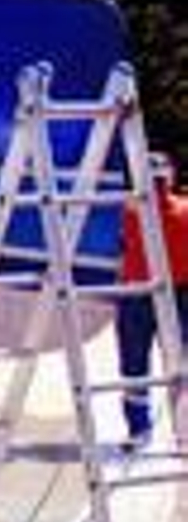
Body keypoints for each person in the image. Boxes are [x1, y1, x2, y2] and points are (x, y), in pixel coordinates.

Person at [116, 153, 188, 445]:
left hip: (141, 292)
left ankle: (140, 430)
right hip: (176, 294)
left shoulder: (131, 209)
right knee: (179, 365)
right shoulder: (183, 208)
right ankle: (183, 433)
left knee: (135, 365)